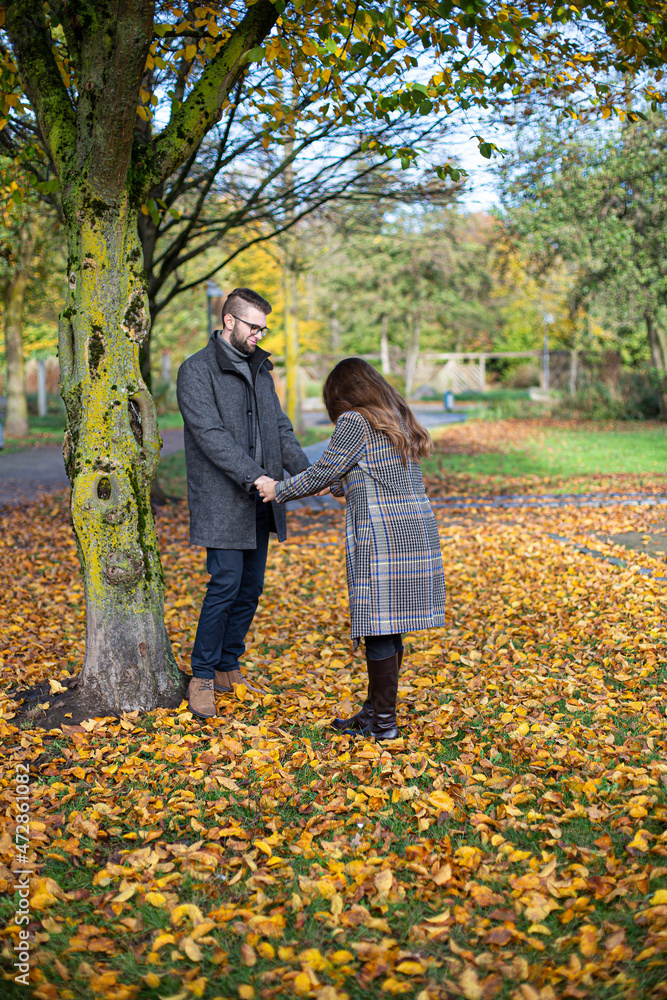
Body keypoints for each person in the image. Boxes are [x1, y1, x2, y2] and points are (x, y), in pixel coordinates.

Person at [255, 357, 446, 740]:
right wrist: (335, 484)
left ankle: (384, 725)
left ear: (342, 394)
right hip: (414, 531)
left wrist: (279, 490)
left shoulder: (355, 420)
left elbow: (326, 469)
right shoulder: (393, 415)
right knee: (389, 626)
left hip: (382, 535)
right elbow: (375, 473)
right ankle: (377, 711)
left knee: (377, 624)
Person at [176, 287, 311, 719]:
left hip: (262, 498)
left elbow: (281, 430)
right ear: (229, 321)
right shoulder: (196, 371)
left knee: (251, 588)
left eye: (264, 327)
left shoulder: (261, 368)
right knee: (225, 585)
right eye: (254, 326)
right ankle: (201, 675)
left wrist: (309, 475)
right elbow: (210, 435)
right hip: (223, 498)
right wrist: (255, 475)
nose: (260, 334)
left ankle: (227, 667)